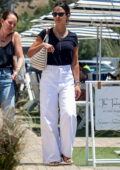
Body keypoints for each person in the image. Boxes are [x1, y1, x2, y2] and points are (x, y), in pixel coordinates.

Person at [27, 2, 81, 165]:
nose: (57, 17)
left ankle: (66, 152)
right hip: (49, 74)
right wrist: (42, 44)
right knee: (48, 116)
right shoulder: (45, 32)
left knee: (69, 113)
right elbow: (29, 52)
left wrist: (77, 83)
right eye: (54, 14)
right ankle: (52, 156)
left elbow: (75, 62)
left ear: (67, 16)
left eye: (60, 14)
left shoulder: (73, 36)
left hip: (66, 76)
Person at [0, 11, 24, 113]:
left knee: (8, 113)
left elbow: (21, 57)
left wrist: (17, 71)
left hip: (7, 77)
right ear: (2, 21)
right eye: (10, 22)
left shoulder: (15, 36)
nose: (12, 26)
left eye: (14, 24)